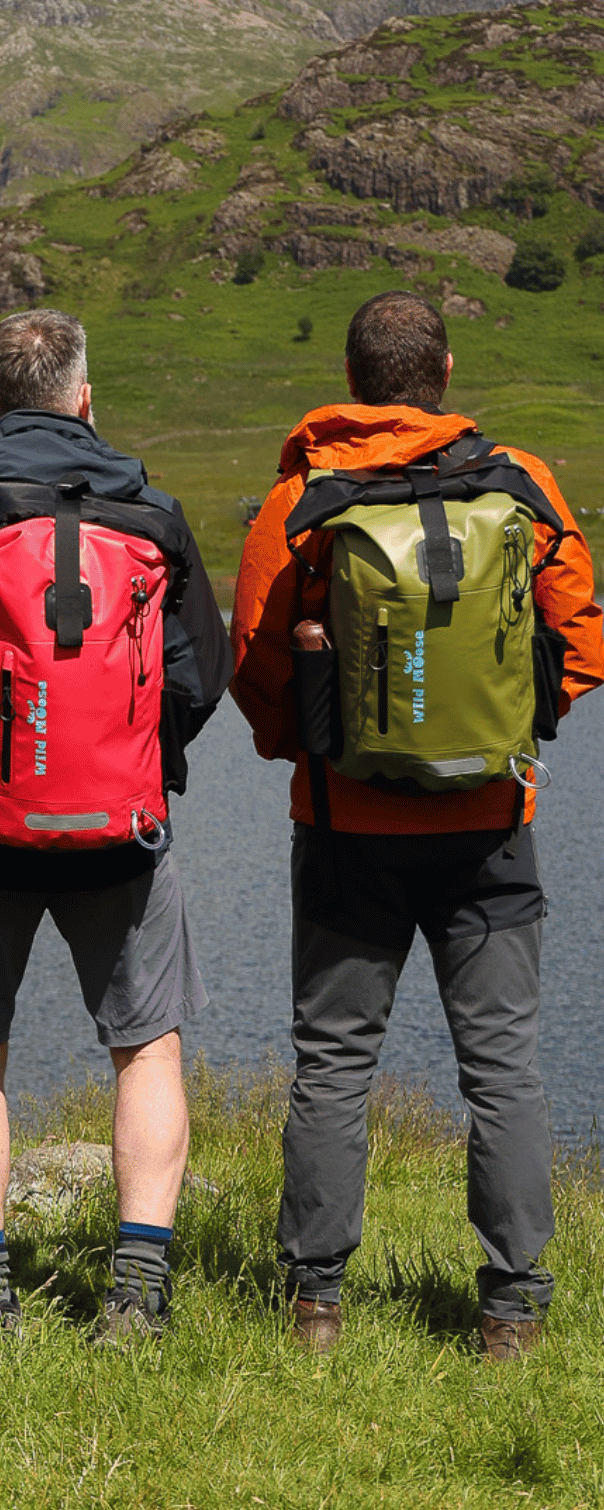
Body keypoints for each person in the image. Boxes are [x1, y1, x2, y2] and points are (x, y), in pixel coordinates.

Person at [230, 291, 604, 1360]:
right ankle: (513, 1311)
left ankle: (315, 1306)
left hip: (348, 827)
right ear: (442, 372)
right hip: (491, 828)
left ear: (354, 378)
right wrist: (513, 731)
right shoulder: (522, 485)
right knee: (504, 1068)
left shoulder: (301, 499)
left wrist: (304, 749)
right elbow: (582, 638)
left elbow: (257, 661)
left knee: (335, 1063)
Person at [0, 308, 231, 1336]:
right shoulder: (152, 505)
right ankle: (139, 1292)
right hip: (126, 830)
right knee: (147, 1048)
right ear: (85, 396)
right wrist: (128, 745)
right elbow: (205, 675)